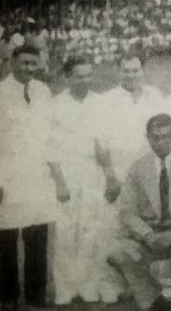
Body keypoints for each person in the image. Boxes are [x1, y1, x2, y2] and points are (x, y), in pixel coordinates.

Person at [107, 114, 171, 311]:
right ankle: (154, 302)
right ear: (148, 138)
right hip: (152, 233)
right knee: (119, 253)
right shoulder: (138, 167)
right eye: (155, 137)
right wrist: (148, 234)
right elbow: (127, 211)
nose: (160, 142)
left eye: (166, 136)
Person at [47, 56, 120, 305]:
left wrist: (110, 175)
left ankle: (89, 286)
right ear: (68, 77)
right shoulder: (56, 104)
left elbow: (103, 144)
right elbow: (51, 148)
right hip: (66, 170)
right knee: (66, 230)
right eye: (79, 76)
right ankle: (65, 289)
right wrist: (59, 181)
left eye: (88, 75)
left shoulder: (99, 103)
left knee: (91, 229)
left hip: (92, 171)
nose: (85, 80)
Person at [0, 45, 57, 310]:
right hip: (7, 176)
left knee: (37, 236)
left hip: (37, 175)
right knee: (6, 238)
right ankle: (8, 297)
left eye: (34, 63)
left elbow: (50, 135)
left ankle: (35, 296)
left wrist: (54, 173)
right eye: (25, 63)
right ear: (11, 62)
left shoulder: (43, 92)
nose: (30, 68)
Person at [102, 54, 167, 174]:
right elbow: (102, 141)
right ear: (119, 72)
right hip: (120, 168)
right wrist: (110, 173)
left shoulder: (155, 95)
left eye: (135, 71)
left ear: (143, 71)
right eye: (126, 71)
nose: (131, 76)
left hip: (150, 167)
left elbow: (164, 132)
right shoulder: (107, 99)